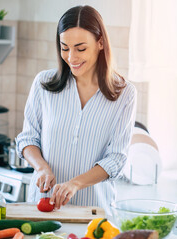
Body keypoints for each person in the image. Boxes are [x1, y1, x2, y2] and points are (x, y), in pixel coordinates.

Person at [16, 5, 137, 212]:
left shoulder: (124, 93)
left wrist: (75, 184)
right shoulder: (43, 83)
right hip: (44, 208)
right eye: (65, 47)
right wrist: (42, 167)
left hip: (94, 212)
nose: (71, 57)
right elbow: (28, 139)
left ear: (100, 43)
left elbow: (116, 158)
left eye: (80, 48)